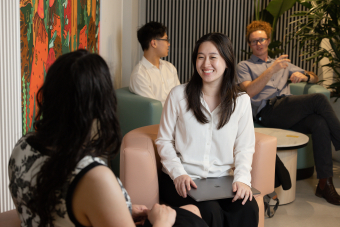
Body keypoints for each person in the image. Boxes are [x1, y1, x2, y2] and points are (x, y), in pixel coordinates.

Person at [8, 49, 209, 227]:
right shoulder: (92, 175)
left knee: (191, 211)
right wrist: (161, 222)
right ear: (101, 105)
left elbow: (52, 208)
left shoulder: (23, 146)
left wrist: (119, 210)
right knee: (189, 216)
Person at [156, 33, 259, 227]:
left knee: (248, 207)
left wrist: (243, 179)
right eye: (200, 57)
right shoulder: (178, 95)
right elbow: (163, 141)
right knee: (210, 211)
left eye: (213, 57)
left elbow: (244, 147)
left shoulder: (241, 101)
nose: (206, 64)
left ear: (227, 61)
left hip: (222, 181)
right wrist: (178, 174)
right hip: (183, 178)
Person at [237, 20, 340, 206]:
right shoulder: (244, 66)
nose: (258, 44)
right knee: (318, 100)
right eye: (254, 41)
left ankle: (325, 184)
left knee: (319, 123)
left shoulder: (281, 63)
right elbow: (249, 92)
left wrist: (306, 76)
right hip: (267, 111)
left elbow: (314, 76)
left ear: (268, 40)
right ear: (249, 44)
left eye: (261, 39)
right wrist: (271, 70)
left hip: (287, 111)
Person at [129, 21, 180, 106]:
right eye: (166, 40)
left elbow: (179, 97)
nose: (168, 44)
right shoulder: (139, 75)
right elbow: (153, 109)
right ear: (154, 43)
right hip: (160, 118)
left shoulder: (170, 67)